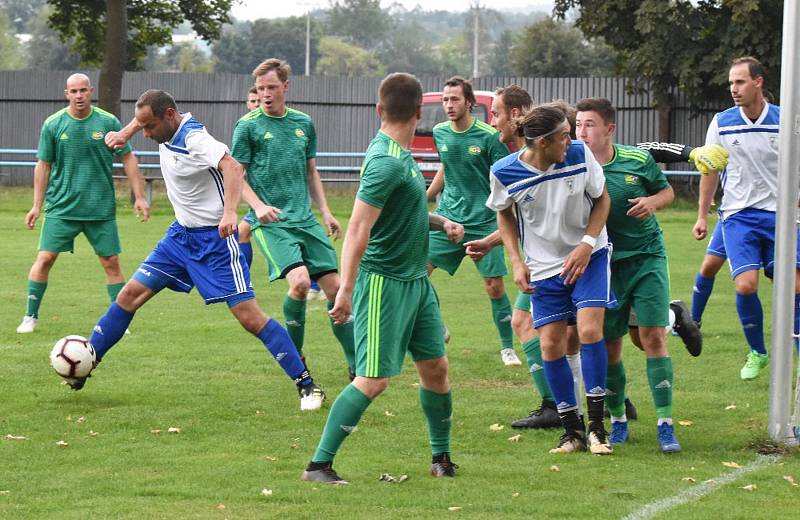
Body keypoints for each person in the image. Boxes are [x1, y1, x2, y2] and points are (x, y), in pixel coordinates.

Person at [75, 89, 325, 412]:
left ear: (169, 116)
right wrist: (126, 131)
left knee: (250, 319)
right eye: (142, 127)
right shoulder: (163, 125)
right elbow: (145, 118)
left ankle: (307, 385)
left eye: (149, 127)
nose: (146, 134)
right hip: (179, 239)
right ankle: (85, 363)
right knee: (128, 296)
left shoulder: (194, 138)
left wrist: (231, 212)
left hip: (215, 242)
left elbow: (233, 168)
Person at [302, 72, 464, 484]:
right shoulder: (386, 161)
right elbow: (358, 228)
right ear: (418, 112)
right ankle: (318, 465)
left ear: (379, 110)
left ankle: (440, 457)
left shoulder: (401, 154)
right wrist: (347, 289)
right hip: (384, 284)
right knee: (373, 380)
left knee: (436, 368)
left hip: (416, 283)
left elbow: (402, 213)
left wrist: (439, 221)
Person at [489, 104, 614, 455]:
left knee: (589, 332)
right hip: (544, 268)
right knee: (550, 345)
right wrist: (515, 261)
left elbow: (602, 200)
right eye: (563, 136)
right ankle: (572, 432)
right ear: (542, 143)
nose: (571, 140)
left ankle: (598, 429)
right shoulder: (504, 171)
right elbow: (504, 215)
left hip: (590, 255)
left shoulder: (578, 154)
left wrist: (587, 245)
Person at [231, 58, 355, 379]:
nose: (266, 94)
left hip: (305, 219)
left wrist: (326, 211)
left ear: (285, 86)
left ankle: (357, 365)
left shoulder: (303, 123)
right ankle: (298, 362)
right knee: (299, 283)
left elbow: (311, 171)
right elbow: (236, 176)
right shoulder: (248, 126)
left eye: (272, 87)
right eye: (261, 89)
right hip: (272, 223)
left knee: (337, 289)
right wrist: (257, 206)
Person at [576, 97, 682, 452]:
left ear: (610, 129)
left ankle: (666, 424)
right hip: (605, 264)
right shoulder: (573, 165)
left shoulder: (637, 160)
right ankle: (618, 419)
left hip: (647, 258)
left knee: (651, 337)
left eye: (589, 124)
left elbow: (666, 190)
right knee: (610, 345)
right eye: (578, 124)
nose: (582, 131)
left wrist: (653, 202)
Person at [17, 73, 150, 334]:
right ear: (66, 94)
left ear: (91, 91)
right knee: (44, 259)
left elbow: (128, 158)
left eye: (83, 91)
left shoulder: (107, 122)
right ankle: (30, 317)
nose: (78, 96)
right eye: (73, 91)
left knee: (111, 262)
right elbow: (43, 165)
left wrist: (140, 196)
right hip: (61, 208)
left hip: (99, 209)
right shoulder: (53, 125)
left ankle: (119, 325)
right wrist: (36, 205)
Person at [695, 56, 797, 380]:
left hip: (781, 216)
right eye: (731, 83)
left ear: (758, 82)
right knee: (744, 284)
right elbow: (710, 168)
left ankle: (795, 344)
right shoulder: (722, 122)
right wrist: (702, 214)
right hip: (738, 215)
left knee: (794, 286)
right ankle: (758, 352)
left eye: (739, 82)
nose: (734, 89)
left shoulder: (786, 120)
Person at [426, 76, 520, 366]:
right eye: (445, 99)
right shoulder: (440, 132)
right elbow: (446, 166)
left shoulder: (488, 136)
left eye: (455, 99)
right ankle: (436, 327)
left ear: (469, 102)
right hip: (448, 219)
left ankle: (507, 348)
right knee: (416, 274)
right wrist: (426, 196)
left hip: (484, 221)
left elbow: (506, 175)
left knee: (494, 287)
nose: (449, 105)